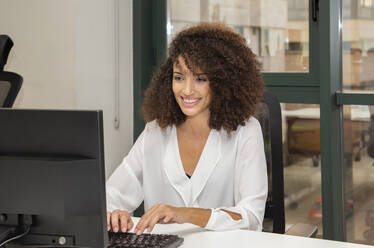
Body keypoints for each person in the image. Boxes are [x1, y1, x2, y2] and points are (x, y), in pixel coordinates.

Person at [106, 22, 267, 235]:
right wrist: (116, 213)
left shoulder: (245, 131)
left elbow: (251, 217)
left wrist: (186, 214)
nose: (187, 90)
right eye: (179, 77)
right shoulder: (156, 131)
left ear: (221, 83)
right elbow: (110, 197)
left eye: (200, 79)